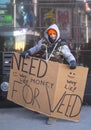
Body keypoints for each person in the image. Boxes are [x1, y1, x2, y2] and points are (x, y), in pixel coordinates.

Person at [21, 24, 77, 124]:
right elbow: (35, 48)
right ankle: (39, 107)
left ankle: (53, 115)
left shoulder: (62, 45)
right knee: (41, 89)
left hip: (56, 72)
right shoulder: (43, 42)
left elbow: (68, 55)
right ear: (48, 34)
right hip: (44, 71)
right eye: (50, 33)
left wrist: (72, 61)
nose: (52, 35)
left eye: (54, 33)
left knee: (54, 93)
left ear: (57, 33)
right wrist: (28, 52)